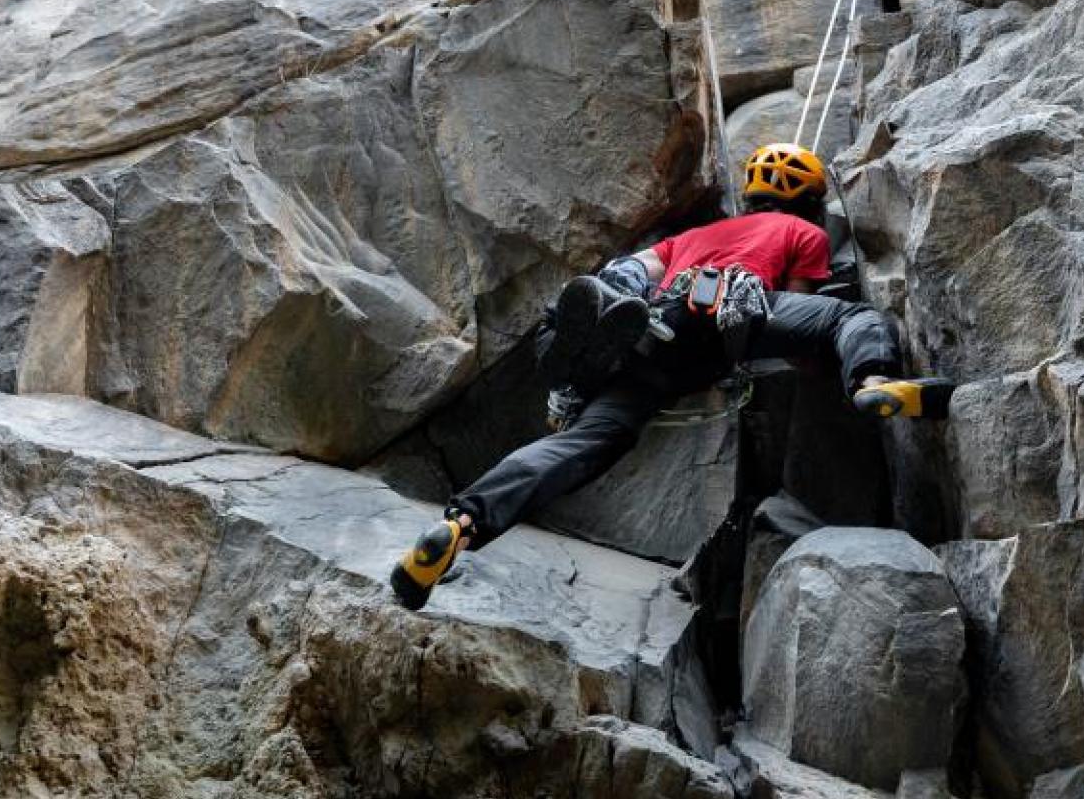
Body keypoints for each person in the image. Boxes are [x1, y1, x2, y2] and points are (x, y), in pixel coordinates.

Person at [391, 142, 953, 609]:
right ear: (809, 201)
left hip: (653, 339)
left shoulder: (691, 236)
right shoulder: (804, 234)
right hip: (728, 311)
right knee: (849, 318)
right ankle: (875, 385)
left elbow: (637, 267)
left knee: (583, 443)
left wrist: (622, 295)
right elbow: (797, 321)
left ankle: (463, 524)